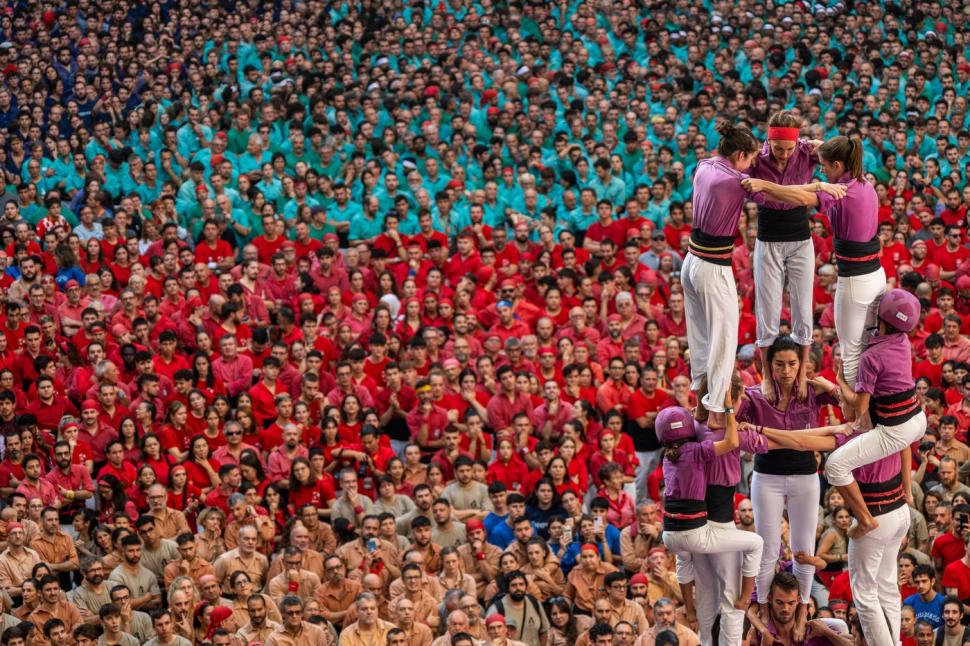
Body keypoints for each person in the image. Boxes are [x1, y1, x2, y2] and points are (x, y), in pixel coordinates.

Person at [743, 135, 882, 391]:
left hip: (855, 280)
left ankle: (854, 408)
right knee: (865, 345)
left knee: (851, 352)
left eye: (825, 165)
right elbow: (837, 153)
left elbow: (797, 197)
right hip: (873, 274)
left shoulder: (842, 191)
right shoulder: (863, 182)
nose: (822, 170)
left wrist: (764, 185)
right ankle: (860, 405)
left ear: (837, 165)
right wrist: (819, 150)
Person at [737, 335, 839, 625]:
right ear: (769, 365)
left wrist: (829, 386)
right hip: (767, 476)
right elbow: (732, 425)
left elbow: (851, 405)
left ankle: (804, 607)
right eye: (779, 364)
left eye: (792, 363)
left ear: (801, 363)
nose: (786, 370)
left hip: (804, 476)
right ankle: (764, 605)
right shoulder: (755, 396)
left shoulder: (811, 391)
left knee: (803, 549)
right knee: (768, 548)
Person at [824, 289, 927, 539]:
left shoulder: (870, 357)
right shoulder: (903, 341)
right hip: (917, 420)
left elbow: (860, 406)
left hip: (896, 429)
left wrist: (840, 384)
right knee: (898, 442)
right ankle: (907, 493)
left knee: (834, 466)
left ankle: (865, 520)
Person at [681, 122, 760, 426]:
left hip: (692, 260)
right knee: (724, 339)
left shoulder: (705, 165)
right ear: (740, 155)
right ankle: (715, 409)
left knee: (701, 337)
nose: (751, 164)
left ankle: (702, 404)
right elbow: (769, 192)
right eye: (750, 158)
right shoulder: (734, 181)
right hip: (712, 265)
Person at [747, 113, 826, 399]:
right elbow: (751, 191)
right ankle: (767, 376)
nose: (783, 154)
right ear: (768, 141)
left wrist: (818, 145)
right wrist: (804, 191)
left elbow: (840, 153)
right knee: (767, 309)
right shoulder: (756, 159)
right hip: (768, 238)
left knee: (803, 307)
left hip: (800, 237)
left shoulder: (806, 152)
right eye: (778, 148)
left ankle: (802, 371)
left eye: (789, 148)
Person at [656, 402, 763, 612]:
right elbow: (732, 442)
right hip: (695, 534)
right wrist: (730, 412)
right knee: (756, 543)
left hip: (669, 535)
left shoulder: (667, 458)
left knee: (684, 560)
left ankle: (690, 609)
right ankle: (744, 598)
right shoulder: (696, 450)